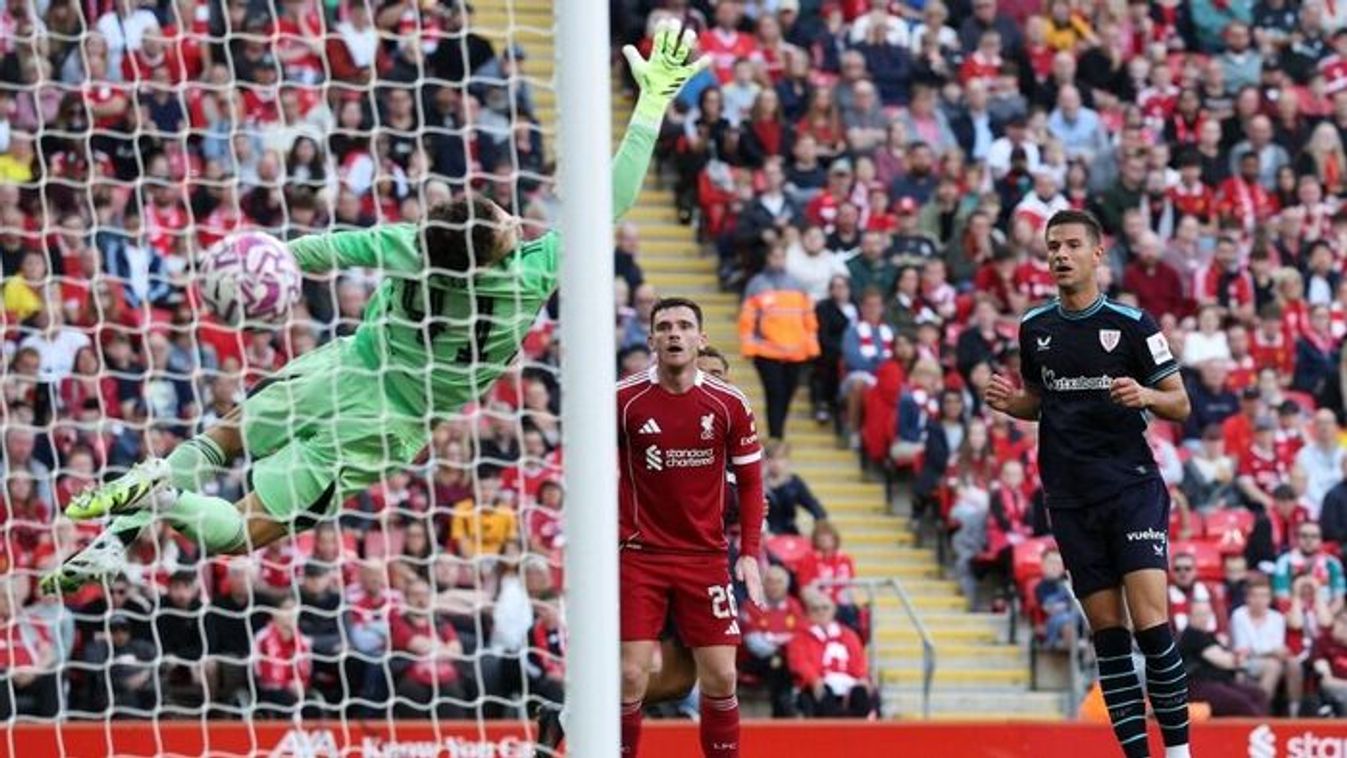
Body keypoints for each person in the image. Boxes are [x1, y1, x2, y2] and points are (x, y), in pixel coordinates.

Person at [43, 20, 710, 591]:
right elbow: (613, 196)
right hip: (388, 420)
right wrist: (651, 102)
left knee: (222, 440)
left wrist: (254, 263)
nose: (514, 217)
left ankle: (119, 533)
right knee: (242, 531)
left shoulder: (412, 244)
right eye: (507, 219)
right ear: (494, 253)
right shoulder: (530, 274)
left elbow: (318, 251)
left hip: (343, 366)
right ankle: (162, 499)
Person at [984, 209, 1192, 758]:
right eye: (1053, 245)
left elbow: (1180, 403)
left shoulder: (1134, 324)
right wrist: (1013, 404)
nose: (1061, 254)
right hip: (1070, 496)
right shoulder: (1035, 327)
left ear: (1098, 253)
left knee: (1151, 624)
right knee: (1109, 637)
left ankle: (1179, 753)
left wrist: (1146, 395)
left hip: (1130, 487)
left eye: (1073, 245)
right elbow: (1041, 400)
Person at [616, 296, 765, 758]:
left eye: (683, 326)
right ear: (651, 340)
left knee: (721, 675)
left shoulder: (728, 403)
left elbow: (753, 482)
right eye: (664, 327)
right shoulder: (623, 399)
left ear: (701, 339)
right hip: (639, 556)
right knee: (630, 675)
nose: (674, 334)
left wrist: (749, 553)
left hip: (704, 557)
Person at [785, 589, 873, 718]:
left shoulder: (849, 635)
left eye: (825, 608)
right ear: (808, 613)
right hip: (819, 682)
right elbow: (799, 663)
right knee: (824, 695)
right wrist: (814, 680)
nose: (821, 612)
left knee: (861, 693)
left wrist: (862, 678)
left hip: (848, 682)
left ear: (833, 611)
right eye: (815, 609)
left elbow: (859, 661)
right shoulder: (799, 638)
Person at [1178, 600, 1270, 717]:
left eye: (1206, 614)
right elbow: (1225, 661)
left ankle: (1262, 725)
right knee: (1242, 703)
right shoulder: (1192, 635)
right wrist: (1238, 658)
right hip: (1198, 685)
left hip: (1219, 682)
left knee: (1259, 695)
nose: (1204, 618)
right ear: (1190, 616)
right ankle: (1255, 727)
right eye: (1199, 614)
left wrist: (1236, 658)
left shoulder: (1208, 635)